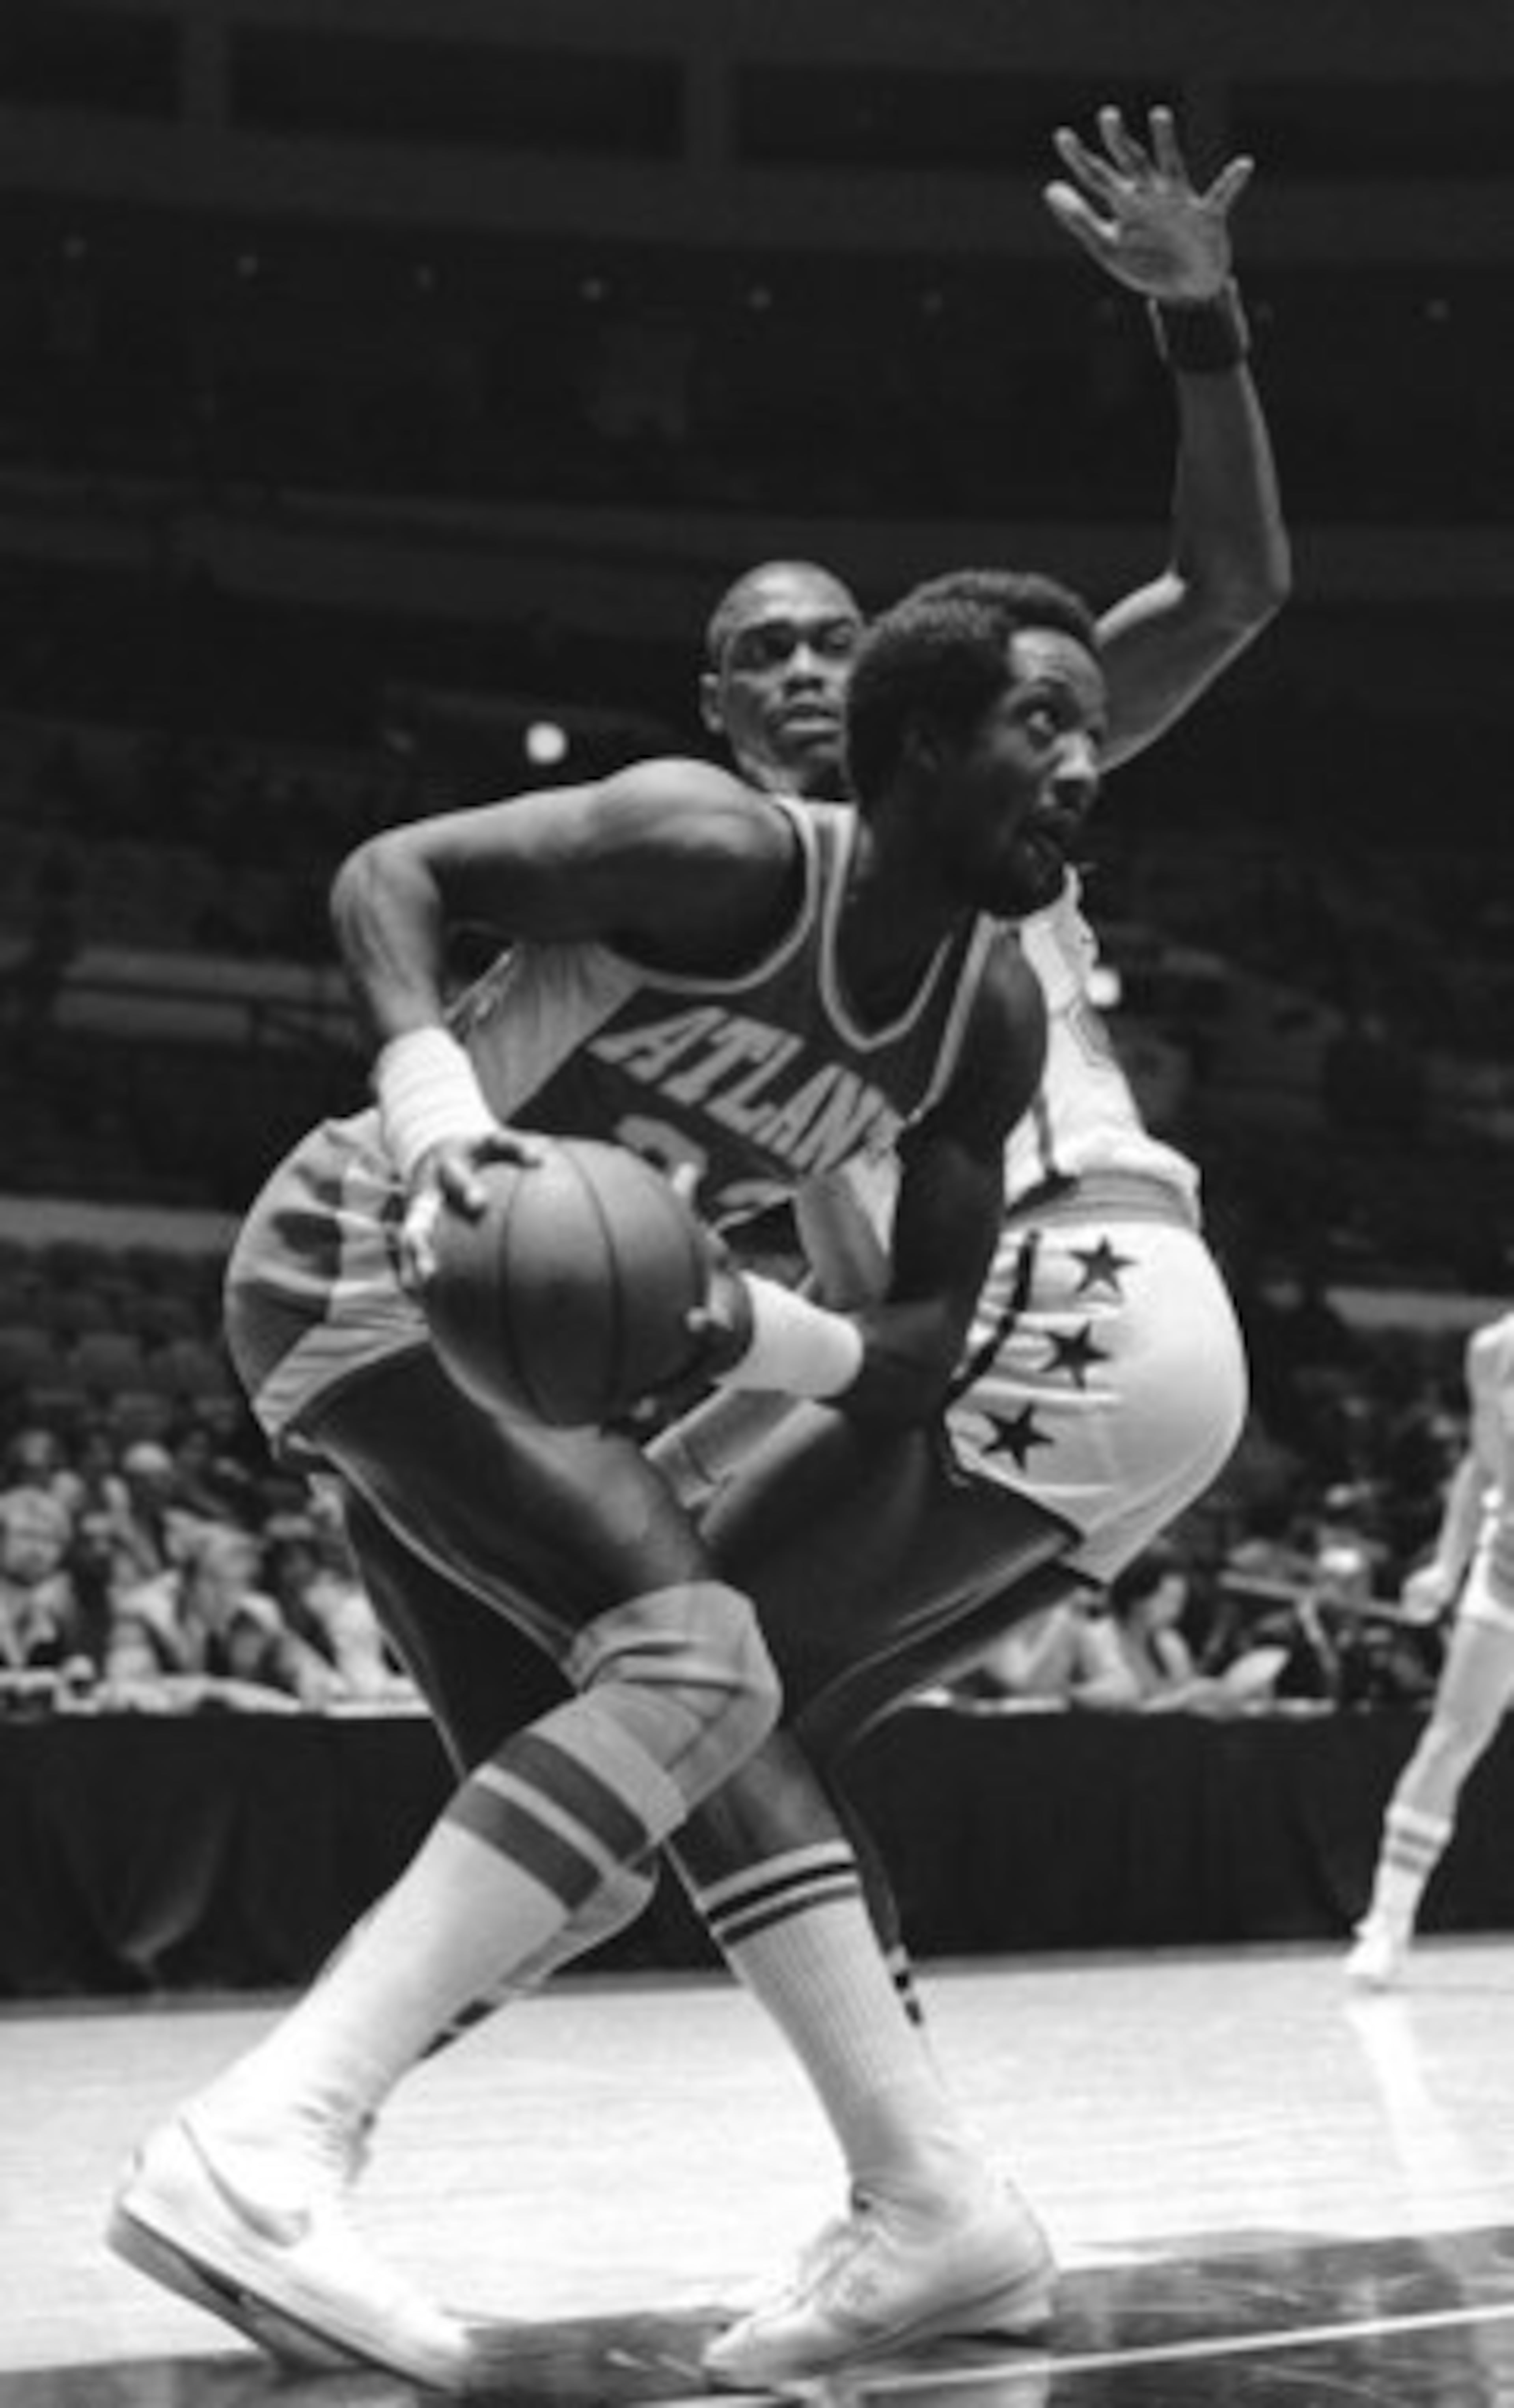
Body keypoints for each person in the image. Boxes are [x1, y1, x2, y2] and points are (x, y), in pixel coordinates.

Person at [236, 102, 1289, 2392]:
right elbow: (433, 951)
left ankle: (289, 2141)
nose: (809, 670)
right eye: (763, 652)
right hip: (984, 1330)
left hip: (1074, 1283)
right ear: (722, 709)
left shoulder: (1001, 812)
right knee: (706, 1737)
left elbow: (1216, 605)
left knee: (683, 1690)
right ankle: (908, 2191)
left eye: (839, 641)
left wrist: (1198, 329)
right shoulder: (688, 903)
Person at [108, 566, 1095, 2389]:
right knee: (701, 1661)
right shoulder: (714, 850)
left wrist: (740, 1327)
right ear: (925, 746)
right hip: (370, 1247)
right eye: (1044, 723)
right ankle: (260, 2149)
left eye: (1096, 730)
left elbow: (911, 1366)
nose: (1083, 765)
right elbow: (387, 876)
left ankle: (935, 2200)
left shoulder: (991, 1023)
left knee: (657, 1784)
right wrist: (439, 1136)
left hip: (558, 1357)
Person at [1346, 1309, 1514, 1990]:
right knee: (1454, 1736)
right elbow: (1482, 1467)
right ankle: (1386, 1926)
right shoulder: (1493, 1350)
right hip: (1508, 1570)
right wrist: (1446, 1567)